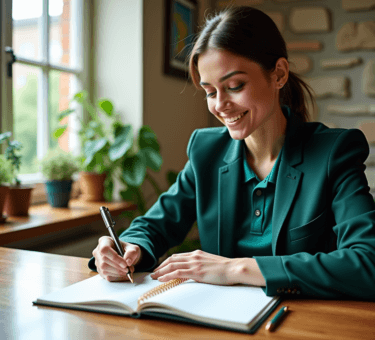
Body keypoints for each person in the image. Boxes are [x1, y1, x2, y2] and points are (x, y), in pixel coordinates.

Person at [90, 6, 375, 299]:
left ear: (278, 74)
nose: (220, 105)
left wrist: (235, 269)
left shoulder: (333, 152)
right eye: (210, 92)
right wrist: (127, 248)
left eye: (235, 86)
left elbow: (368, 262)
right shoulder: (206, 151)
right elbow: (155, 225)